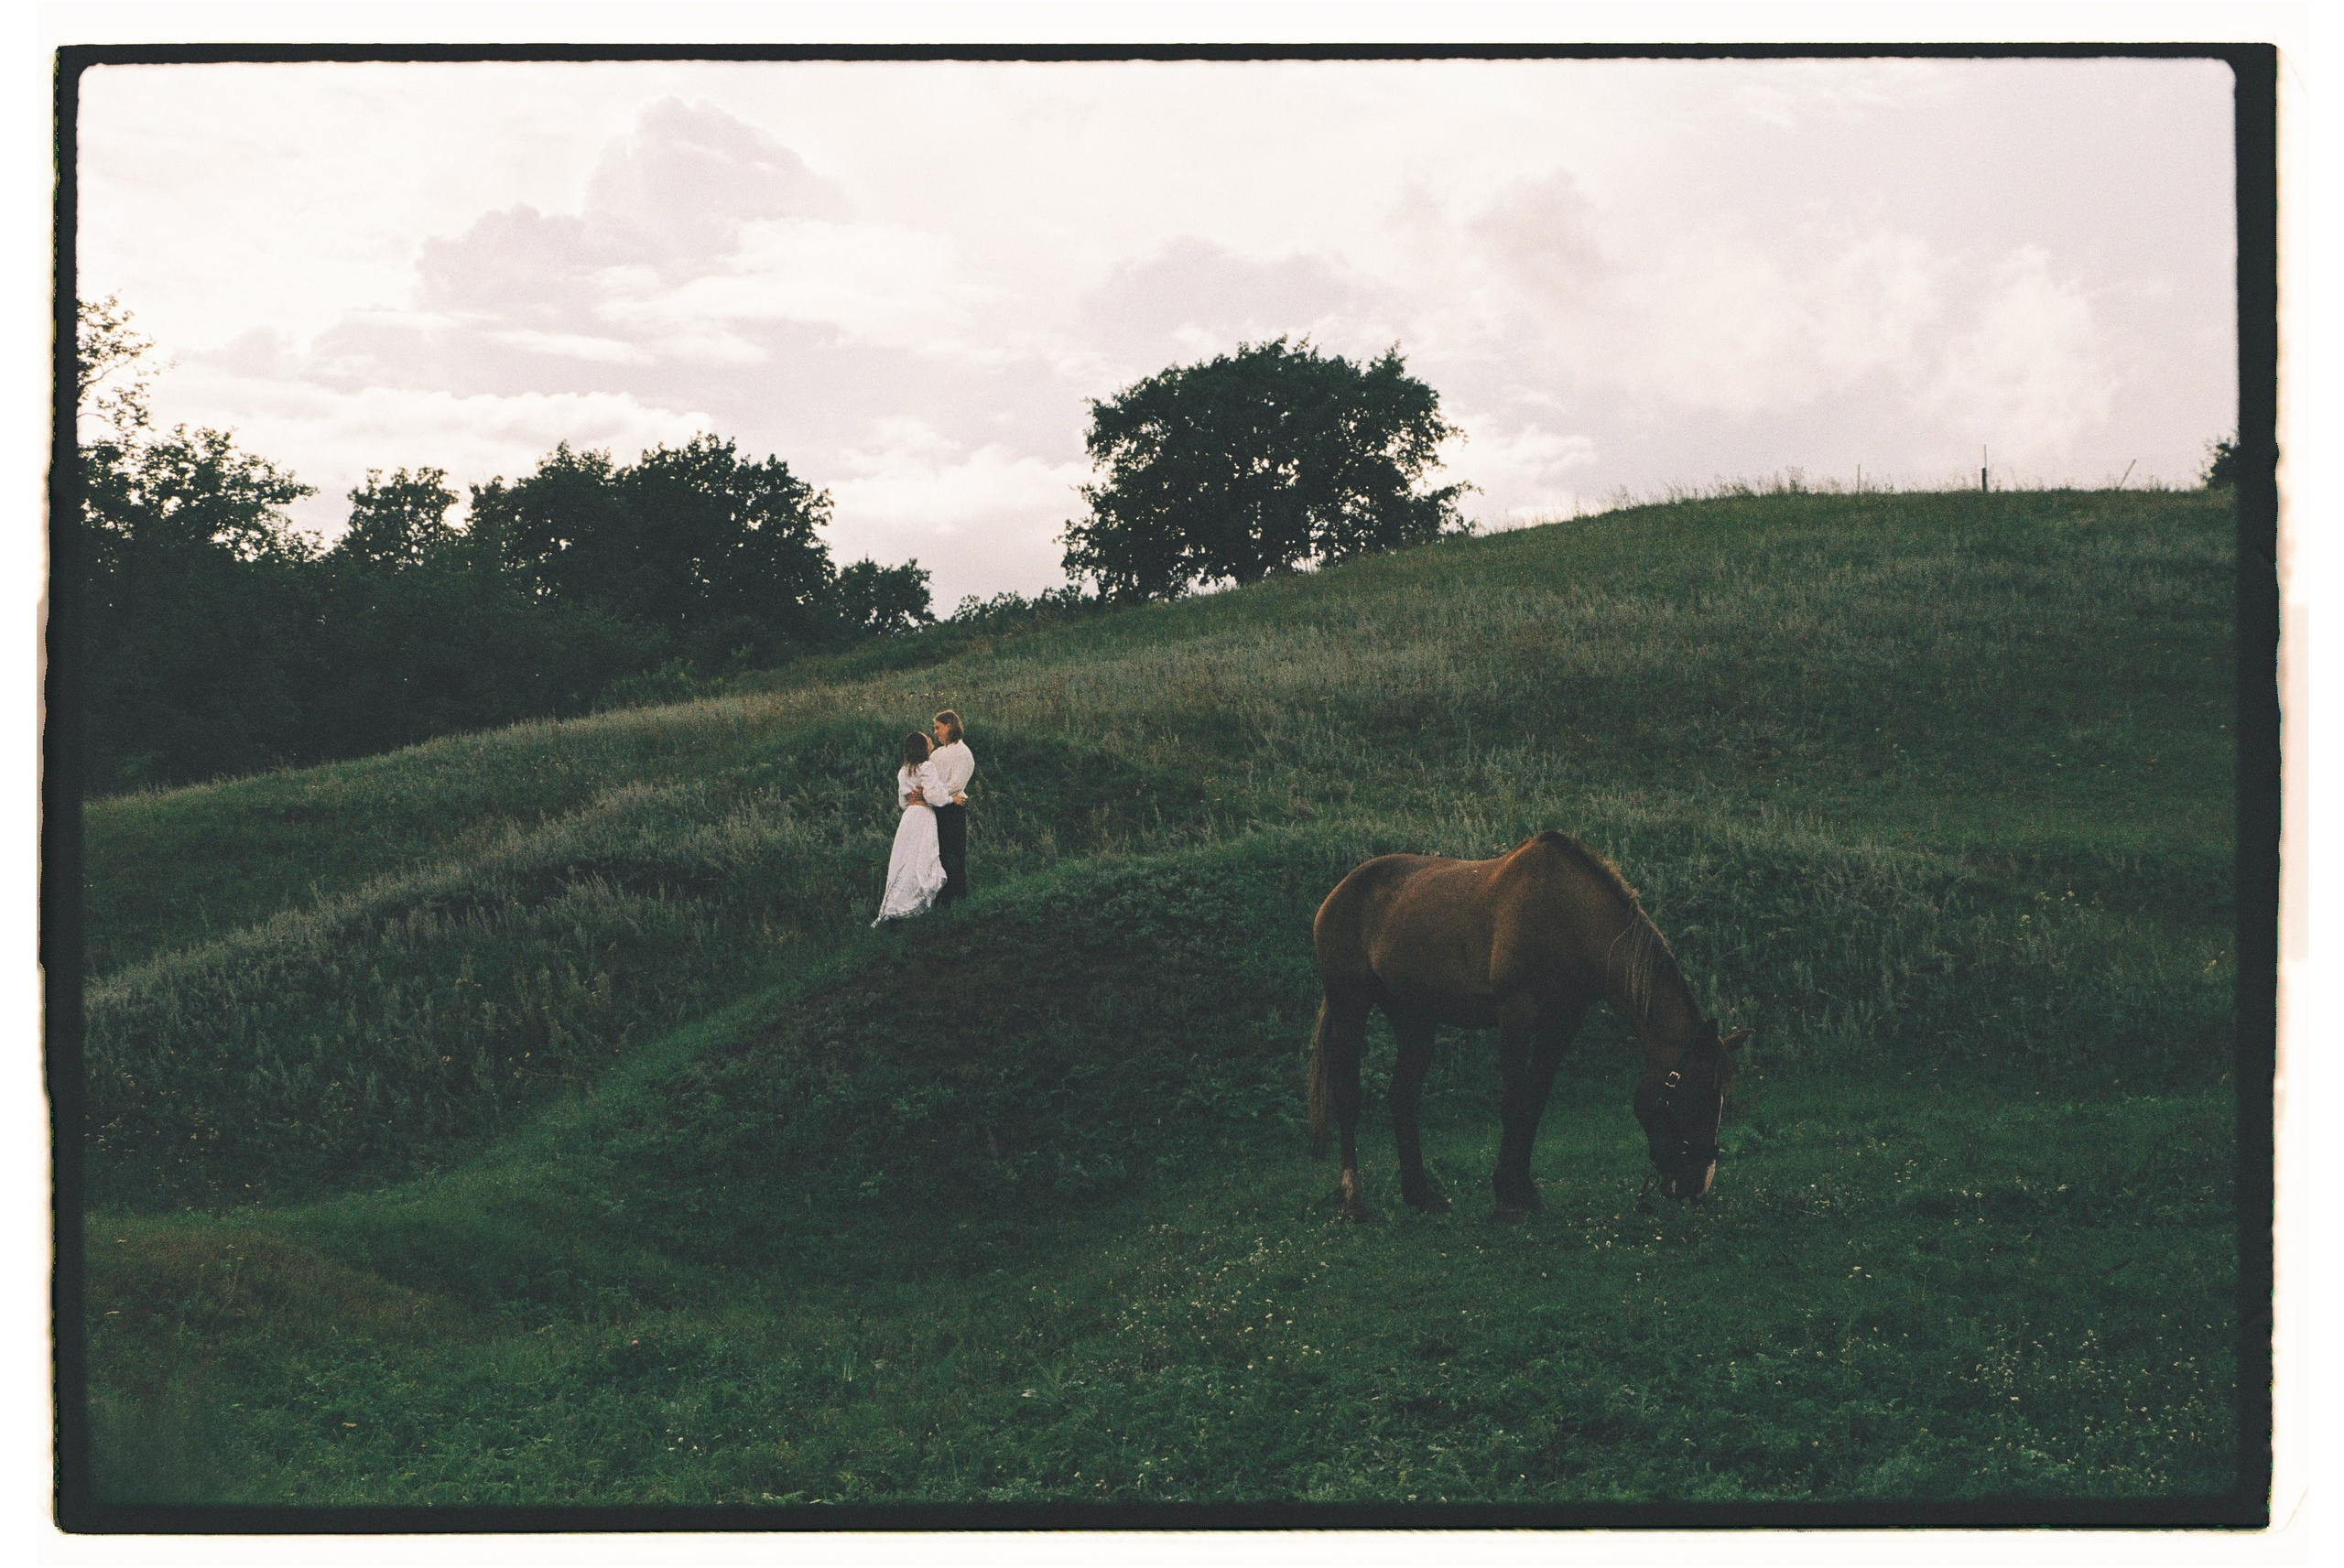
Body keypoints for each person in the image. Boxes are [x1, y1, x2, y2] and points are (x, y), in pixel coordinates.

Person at [872, 730, 949, 925]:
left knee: (905, 859)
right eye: (928, 740)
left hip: (909, 817)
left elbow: (902, 802)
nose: (931, 742)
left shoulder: (903, 771)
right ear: (923, 747)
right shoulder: (927, 767)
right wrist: (950, 798)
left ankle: (897, 903)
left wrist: (916, 797)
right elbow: (935, 797)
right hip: (923, 816)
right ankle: (915, 905)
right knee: (922, 858)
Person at [919, 708, 975, 908]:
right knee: (939, 852)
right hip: (937, 806)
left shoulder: (963, 753)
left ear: (949, 726)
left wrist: (937, 795)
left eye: (938, 728)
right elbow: (929, 779)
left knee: (954, 852)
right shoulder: (936, 754)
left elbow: (957, 783)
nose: (935, 732)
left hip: (953, 808)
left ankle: (957, 896)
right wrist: (931, 794)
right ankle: (941, 896)